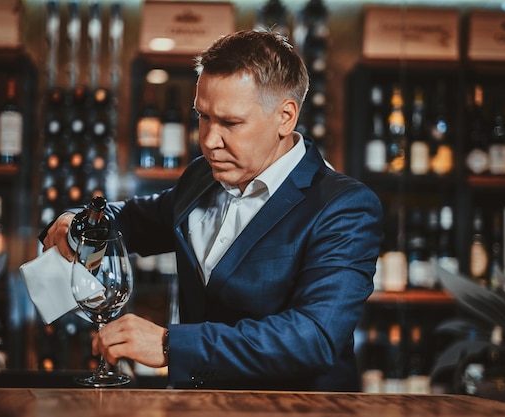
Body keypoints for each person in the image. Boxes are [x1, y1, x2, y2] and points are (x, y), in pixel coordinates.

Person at [41, 29, 382, 391]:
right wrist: (77, 221)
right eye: (203, 117)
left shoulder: (344, 207)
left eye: (230, 123)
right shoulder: (202, 176)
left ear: (286, 117)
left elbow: (313, 337)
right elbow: (131, 220)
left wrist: (170, 346)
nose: (209, 141)